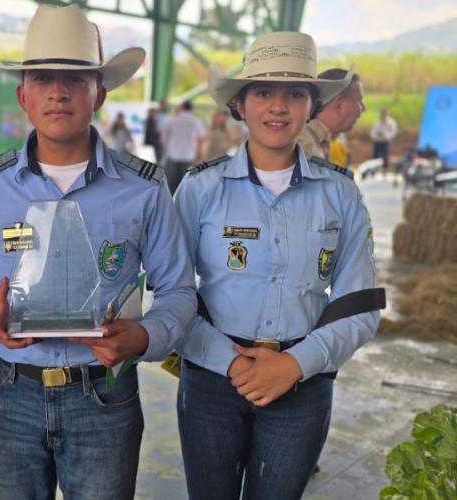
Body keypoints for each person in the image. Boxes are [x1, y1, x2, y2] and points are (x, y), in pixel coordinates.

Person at [0, 4, 195, 499]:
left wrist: (145, 336)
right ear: (22, 95)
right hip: (12, 391)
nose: (58, 91)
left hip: (104, 395)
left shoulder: (143, 189)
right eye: (42, 78)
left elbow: (179, 289)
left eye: (76, 79)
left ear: (99, 94)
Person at [174, 32, 380, 500]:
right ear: (240, 105)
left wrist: (294, 364)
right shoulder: (200, 190)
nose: (278, 107)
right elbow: (171, 292)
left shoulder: (340, 193)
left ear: (312, 107)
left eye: (295, 94)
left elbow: (358, 305)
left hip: (301, 383)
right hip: (211, 380)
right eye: (263, 92)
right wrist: (231, 362)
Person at [297, 68, 364, 161]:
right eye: (359, 101)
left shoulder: (316, 140)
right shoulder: (302, 146)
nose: (363, 109)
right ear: (339, 106)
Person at [160, 100, 205, 194]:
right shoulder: (196, 121)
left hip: (173, 156)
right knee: (185, 185)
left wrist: (166, 149)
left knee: (170, 185)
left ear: (182, 108)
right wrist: (199, 153)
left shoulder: (172, 120)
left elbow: (164, 138)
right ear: (191, 109)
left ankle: (170, 205)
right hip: (189, 156)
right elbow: (201, 138)